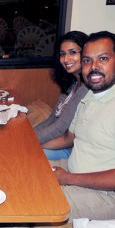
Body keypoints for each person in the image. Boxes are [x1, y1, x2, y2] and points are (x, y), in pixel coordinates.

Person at [0, 31, 115, 228]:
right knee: (16, 172)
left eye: (103, 59)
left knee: (18, 205)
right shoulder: (92, 95)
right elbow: (68, 138)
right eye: (87, 60)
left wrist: (67, 178)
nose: (93, 67)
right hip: (75, 170)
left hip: (107, 197)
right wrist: (28, 149)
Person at [33, 31, 89, 160]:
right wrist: (29, 135)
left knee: (25, 154)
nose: (66, 59)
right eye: (62, 54)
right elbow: (52, 119)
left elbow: (60, 127)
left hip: (70, 150)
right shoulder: (73, 84)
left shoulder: (86, 88)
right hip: (58, 143)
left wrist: (32, 141)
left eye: (72, 52)